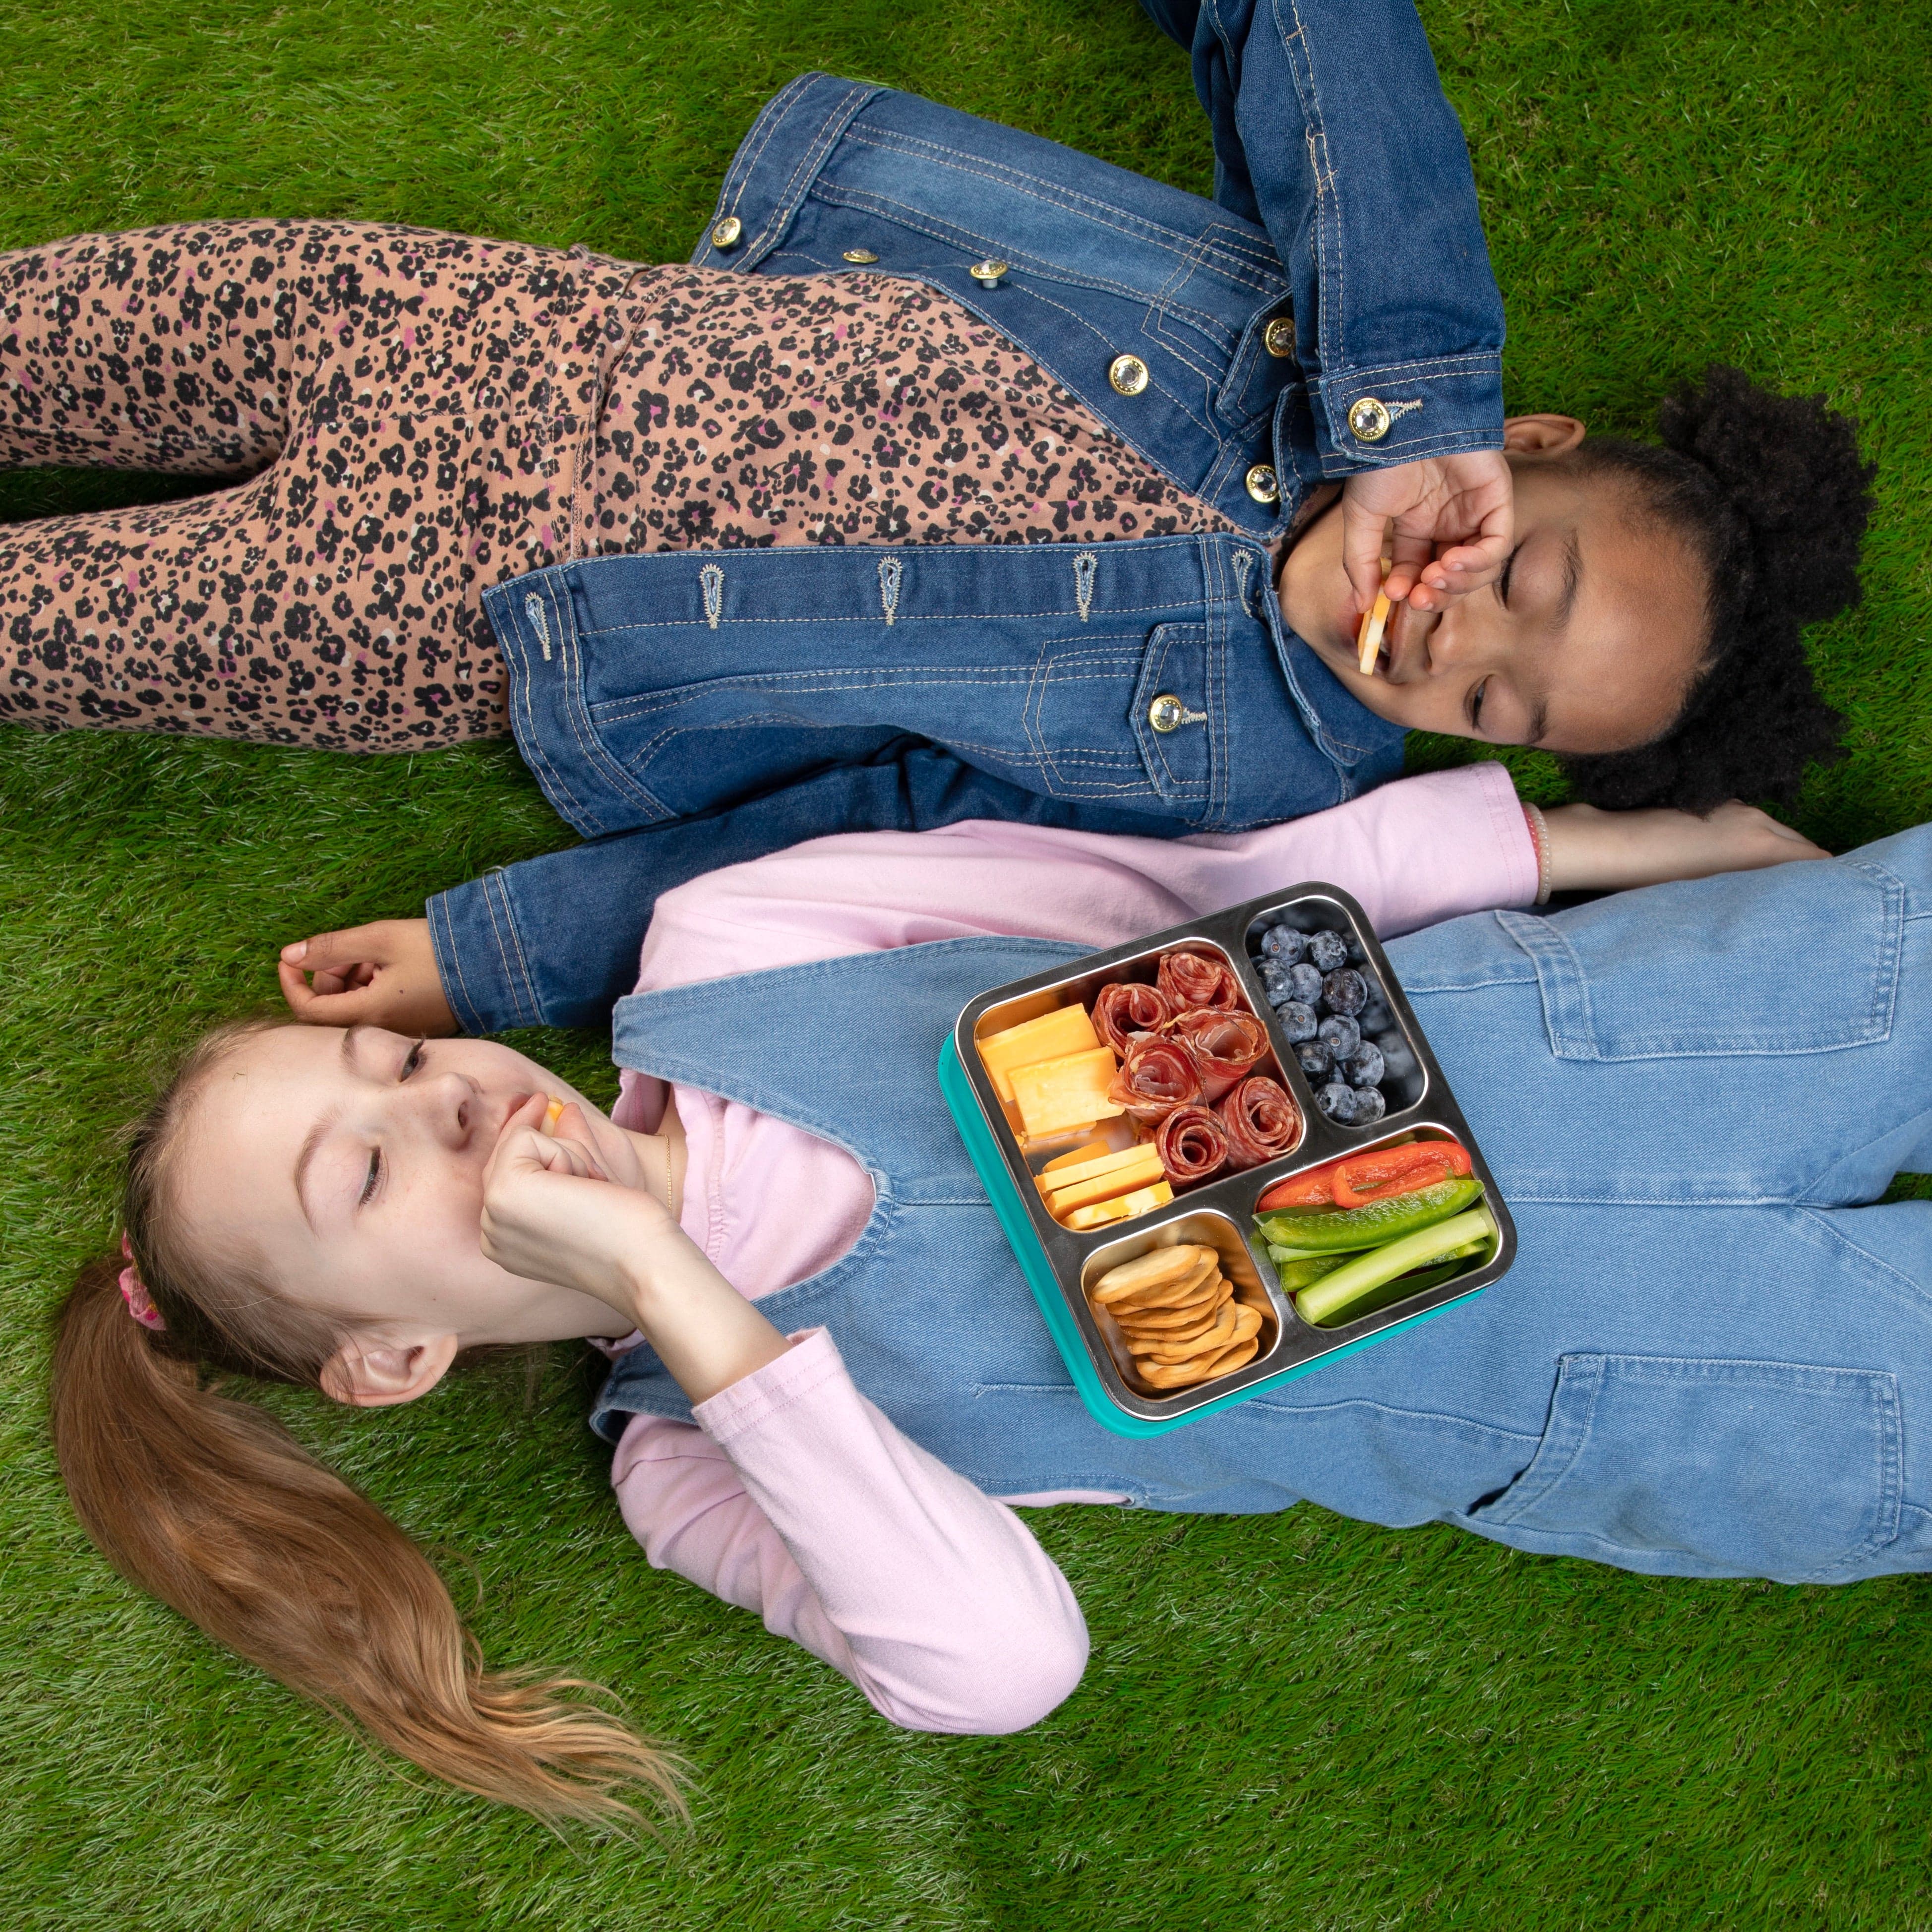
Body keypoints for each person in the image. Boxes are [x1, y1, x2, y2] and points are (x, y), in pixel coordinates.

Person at [61, 765, 1914, 1831]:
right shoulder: (694, 1465)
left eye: (385, 1067)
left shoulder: (727, 950)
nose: (439, 1091)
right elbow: (1000, 1667)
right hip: (1648, 1387)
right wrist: (662, 1279)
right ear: (398, 1358)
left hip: (1612, 1024)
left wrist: (1606, 847)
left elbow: (1183, 886)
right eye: (366, 1171)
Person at [0, 13, 1873, 850]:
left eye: (1501, 711)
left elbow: (885, 832)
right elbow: (1308, 27)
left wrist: (505, 952)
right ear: (1520, 440)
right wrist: (1411, 410)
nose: (1460, 642)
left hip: (480, 624)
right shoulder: (1307, 338)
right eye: (1523, 579)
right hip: (492, 329)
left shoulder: (1256, 772)